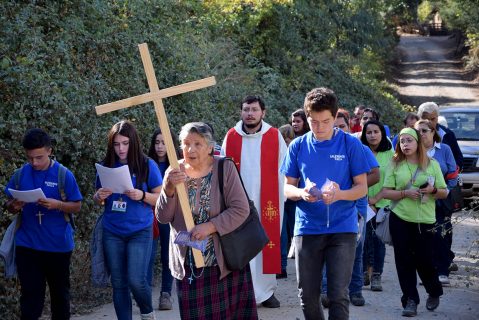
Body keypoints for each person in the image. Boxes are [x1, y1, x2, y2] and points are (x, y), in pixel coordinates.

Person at [281, 88, 369, 319]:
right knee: (307, 294)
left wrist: (340, 194)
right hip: (308, 227)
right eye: (313, 122)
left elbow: (362, 188)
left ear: (335, 116)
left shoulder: (351, 144)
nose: (319, 128)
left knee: (338, 294)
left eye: (326, 121)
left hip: (343, 227)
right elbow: (286, 188)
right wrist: (301, 192)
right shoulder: (297, 146)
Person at [155, 122, 258, 319]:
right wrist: (168, 189)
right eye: (185, 144)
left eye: (197, 144)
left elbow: (240, 209)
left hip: (224, 261)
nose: (190, 150)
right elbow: (163, 217)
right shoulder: (174, 172)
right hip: (190, 264)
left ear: (210, 147)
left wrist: (210, 227)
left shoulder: (224, 167)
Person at [4, 128, 83, 320]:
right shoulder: (20, 174)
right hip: (27, 245)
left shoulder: (64, 175)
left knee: (60, 298)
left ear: (49, 150)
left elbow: (77, 206)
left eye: (39, 157)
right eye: (30, 158)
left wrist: (58, 205)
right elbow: (9, 205)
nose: (34, 162)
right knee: (30, 300)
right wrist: (14, 205)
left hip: (58, 247)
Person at [222, 95, 287, 308]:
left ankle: (266, 292)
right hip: (237, 203)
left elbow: (285, 169)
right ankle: (240, 292)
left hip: (267, 201)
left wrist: (284, 193)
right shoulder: (231, 136)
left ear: (263, 113)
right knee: (239, 244)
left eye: (254, 110)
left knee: (265, 243)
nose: (250, 113)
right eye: (246, 109)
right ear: (241, 112)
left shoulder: (274, 136)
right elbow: (222, 169)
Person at [93, 120, 162, 320]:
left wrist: (141, 195)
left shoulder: (147, 164)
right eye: (116, 144)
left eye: (125, 143)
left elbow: (160, 198)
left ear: (133, 142)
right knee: (119, 283)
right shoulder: (106, 165)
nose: (121, 148)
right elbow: (98, 198)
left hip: (140, 230)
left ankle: (147, 312)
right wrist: (99, 197)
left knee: (136, 280)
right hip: (112, 230)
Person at [380, 127, 448, 317]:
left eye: (409, 140)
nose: (405, 144)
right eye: (402, 141)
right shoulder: (395, 164)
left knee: (425, 260)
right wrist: (405, 193)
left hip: (425, 220)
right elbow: (386, 191)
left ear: (418, 142)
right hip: (399, 218)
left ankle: (434, 291)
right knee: (403, 261)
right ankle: (410, 300)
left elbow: (444, 192)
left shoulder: (432, 164)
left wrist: (433, 191)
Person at [321, 110, 380, 308]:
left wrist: (352, 189)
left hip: (355, 205)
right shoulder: (321, 146)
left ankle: (355, 291)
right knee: (325, 248)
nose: (337, 130)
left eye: (341, 126)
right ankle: (326, 291)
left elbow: (375, 175)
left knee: (355, 248)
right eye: (334, 126)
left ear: (349, 126)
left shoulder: (356, 145)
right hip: (327, 205)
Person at [414, 120, 457, 285]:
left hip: (440, 199)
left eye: (425, 131)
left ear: (433, 132)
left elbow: (453, 173)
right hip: (419, 201)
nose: (422, 134)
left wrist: (443, 189)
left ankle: (443, 271)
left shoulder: (444, 149)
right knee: (425, 237)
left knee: (442, 234)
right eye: (418, 131)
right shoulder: (414, 151)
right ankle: (429, 273)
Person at [147, 128, 180, 310]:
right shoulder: (146, 164)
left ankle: (165, 294)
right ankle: (144, 292)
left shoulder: (175, 166)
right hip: (149, 217)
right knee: (148, 256)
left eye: (164, 143)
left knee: (168, 256)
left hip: (168, 217)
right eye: (157, 142)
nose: (160, 147)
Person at [361, 120, 394, 292]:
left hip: (383, 203)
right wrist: (367, 200)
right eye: (369, 132)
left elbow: (392, 180)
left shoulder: (391, 153)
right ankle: (364, 272)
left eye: (376, 132)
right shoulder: (360, 151)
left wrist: (376, 199)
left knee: (378, 241)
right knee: (363, 240)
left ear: (382, 134)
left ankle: (376, 275)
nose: (372, 135)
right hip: (362, 203)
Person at [417, 102, 463, 170]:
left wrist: (451, 173)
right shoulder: (411, 134)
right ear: (419, 118)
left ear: (437, 118)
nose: (429, 122)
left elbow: (458, 158)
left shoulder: (448, 134)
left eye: (432, 119)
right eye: (426, 119)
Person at [278, 124, 295, 278]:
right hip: (294, 192)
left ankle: (281, 265)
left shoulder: (278, 148)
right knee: (294, 229)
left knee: (281, 230)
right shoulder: (295, 147)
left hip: (281, 192)